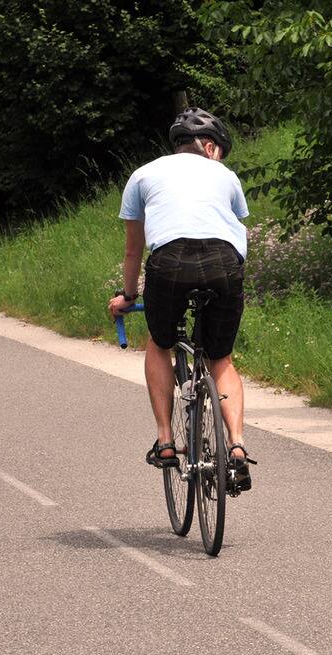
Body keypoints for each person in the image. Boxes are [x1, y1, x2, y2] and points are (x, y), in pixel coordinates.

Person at [107, 107, 256, 490]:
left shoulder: (143, 174)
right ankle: (237, 447)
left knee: (159, 344)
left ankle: (165, 441)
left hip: (169, 262)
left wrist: (128, 295)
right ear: (210, 147)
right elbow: (232, 227)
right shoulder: (225, 175)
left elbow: (133, 251)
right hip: (224, 263)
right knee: (221, 358)